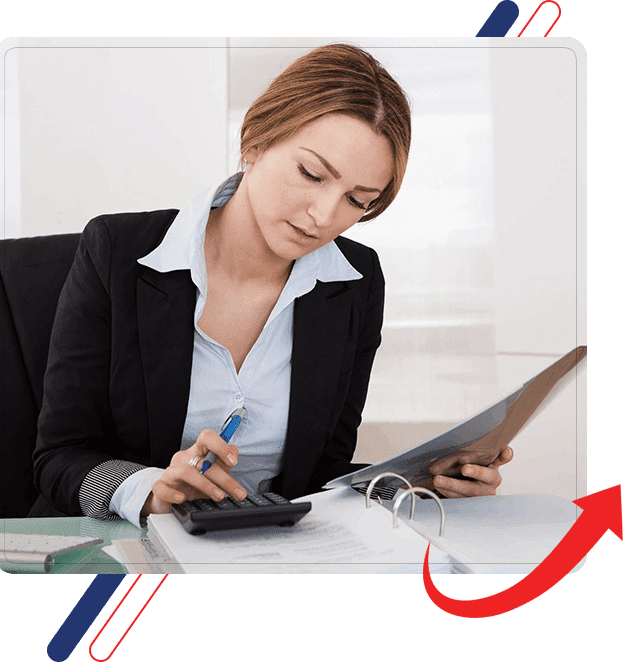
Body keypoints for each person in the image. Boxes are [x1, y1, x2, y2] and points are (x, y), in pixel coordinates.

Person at [31, 44, 513, 529]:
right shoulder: (117, 252)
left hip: (273, 550)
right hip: (127, 548)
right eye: (311, 173)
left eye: (357, 200)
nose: (324, 217)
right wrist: (147, 487)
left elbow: (320, 475)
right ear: (255, 142)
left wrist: (421, 482)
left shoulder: (355, 282)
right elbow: (59, 458)